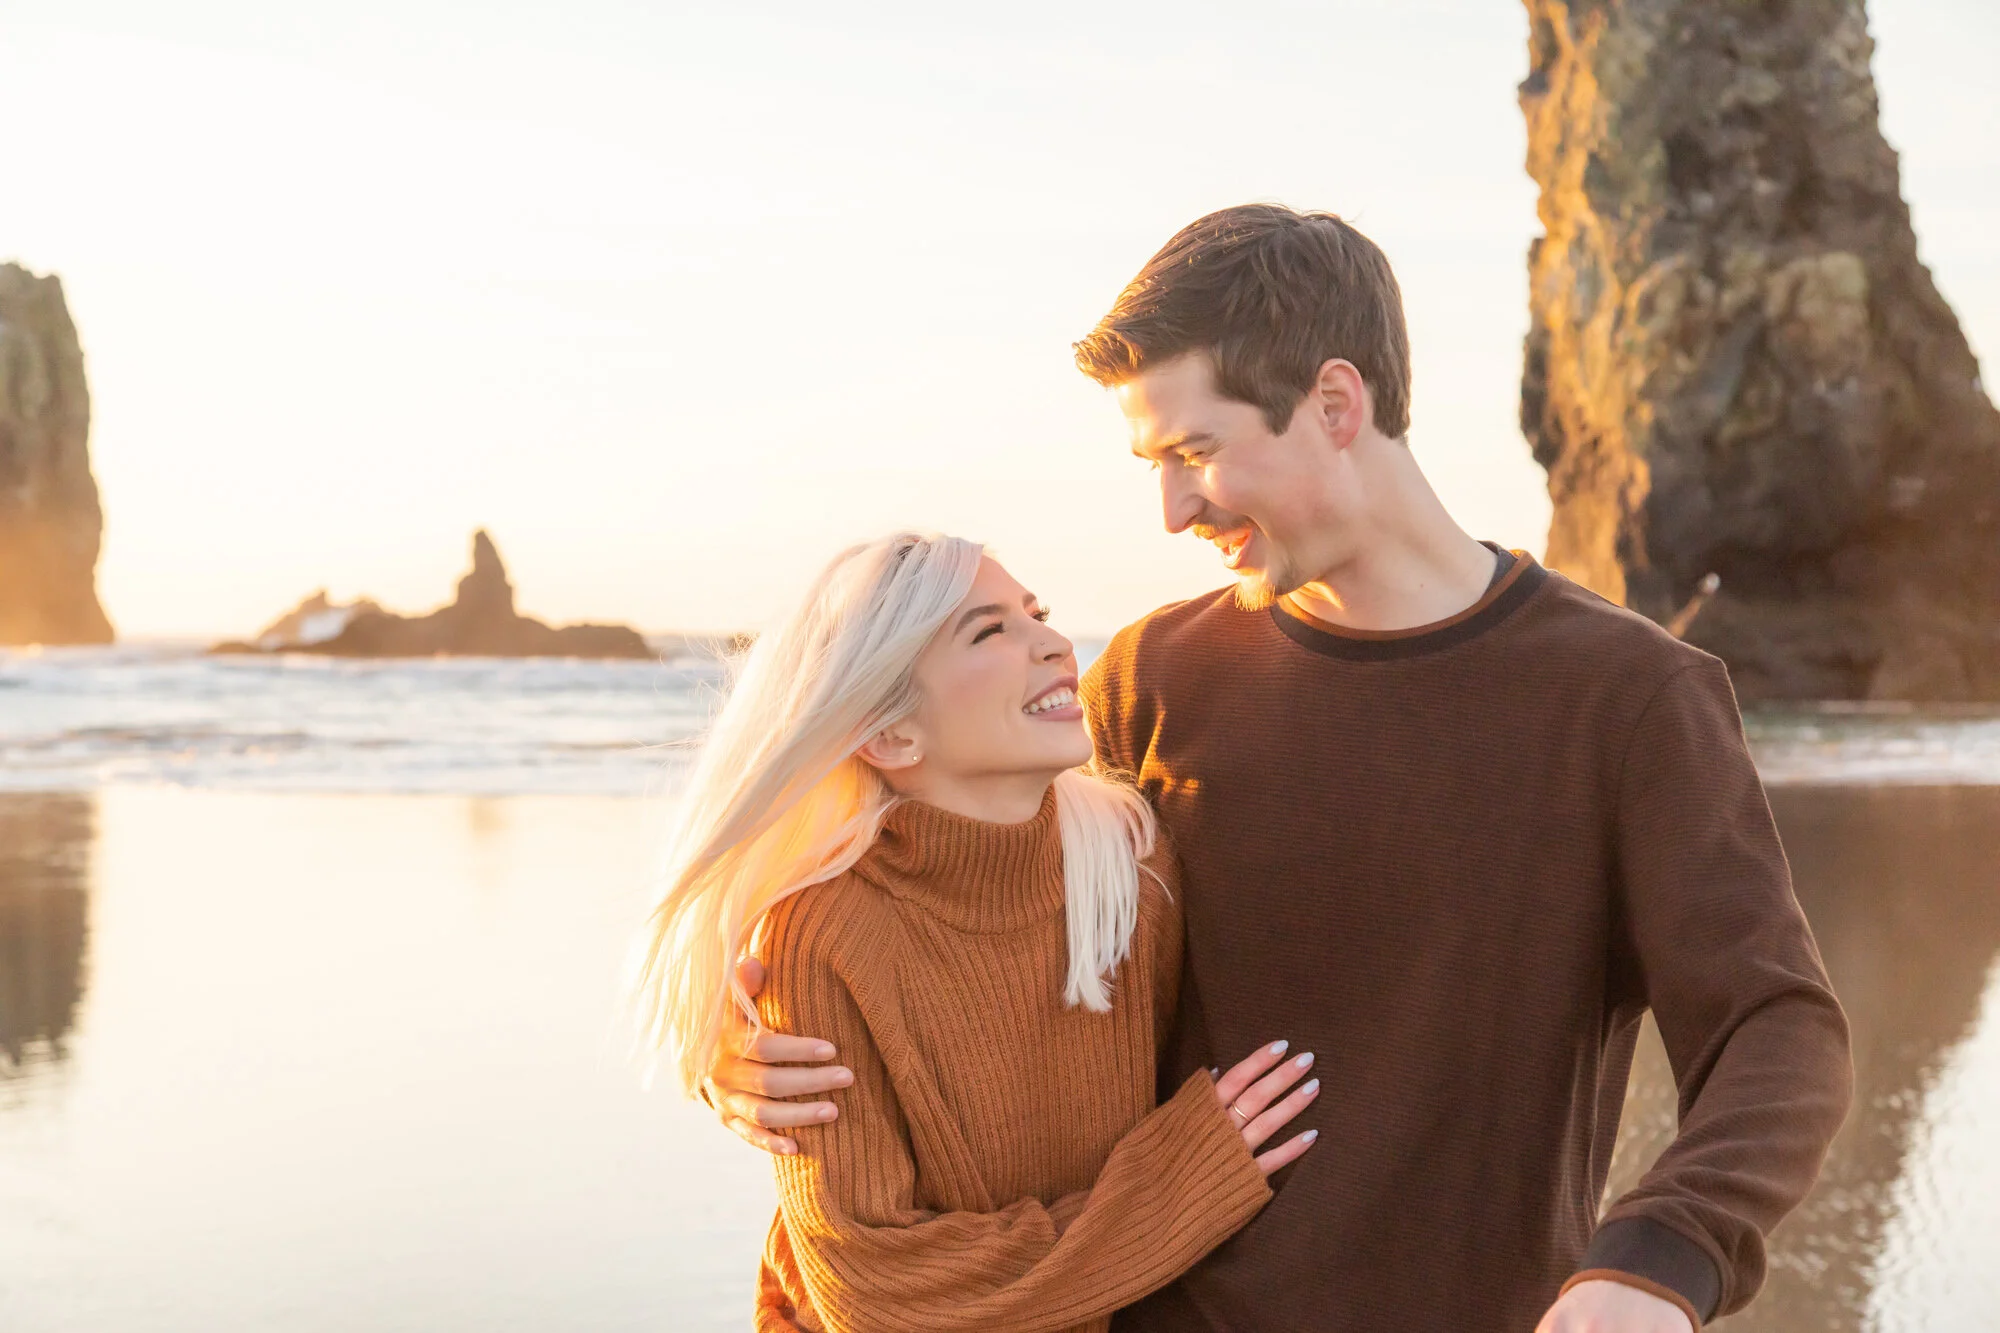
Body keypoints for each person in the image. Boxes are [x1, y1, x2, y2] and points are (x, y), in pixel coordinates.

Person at [703, 206, 1855, 1333]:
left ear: (1334, 404)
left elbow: (1773, 1025)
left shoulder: (1628, 698)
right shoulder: (1154, 675)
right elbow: (964, 918)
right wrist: (754, 1041)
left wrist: (1657, 1260)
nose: (1169, 508)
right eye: (1154, 463)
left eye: (1194, 452)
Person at [630, 532, 1319, 1332]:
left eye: (1039, 613)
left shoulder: (1131, 869)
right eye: (991, 631)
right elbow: (873, 1291)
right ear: (890, 735)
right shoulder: (822, 934)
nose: (1056, 642)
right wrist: (1173, 1194)